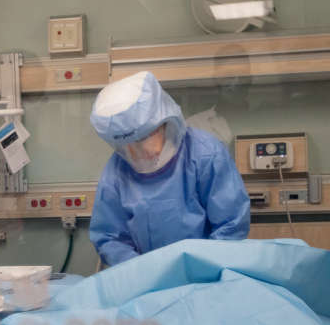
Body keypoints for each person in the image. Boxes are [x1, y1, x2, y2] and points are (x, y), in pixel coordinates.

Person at [89, 71, 250, 266]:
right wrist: (141, 270)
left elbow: (231, 224)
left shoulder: (204, 154)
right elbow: (109, 237)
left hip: (205, 275)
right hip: (147, 280)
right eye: (127, 145)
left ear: (164, 123)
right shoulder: (117, 171)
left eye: (142, 139)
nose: (137, 151)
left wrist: (199, 268)